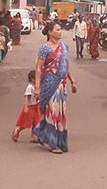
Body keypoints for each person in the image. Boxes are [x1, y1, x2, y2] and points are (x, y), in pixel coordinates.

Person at [33, 22, 77, 154]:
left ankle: (57, 140)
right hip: (49, 84)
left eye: (60, 29)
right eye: (57, 30)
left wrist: (72, 81)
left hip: (61, 85)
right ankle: (53, 143)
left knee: (60, 113)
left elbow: (65, 67)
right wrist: (37, 87)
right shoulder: (45, 48)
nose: (60, 32)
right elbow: (39, 68)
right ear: (49, 32)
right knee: (52, 112)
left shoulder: (64, 47)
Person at [12, 70, 41, 143]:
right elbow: (26, 97)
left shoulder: (37, 87)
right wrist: (26, 106)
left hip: (36, 106)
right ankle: (17, 130)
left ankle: (33, 136)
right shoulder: (30, 87)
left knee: (36, 122)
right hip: (30, 107)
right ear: (32, 78)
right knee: (26, 122)